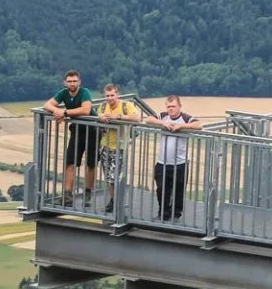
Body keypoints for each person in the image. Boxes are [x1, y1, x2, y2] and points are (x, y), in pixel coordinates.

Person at [43, 70, 95, 206]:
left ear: (79, 82)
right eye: (69, 81)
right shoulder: (63, 93)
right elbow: (47, 105)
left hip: (93, 129)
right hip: (77, 129)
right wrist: (57, 111)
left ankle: (88, 193)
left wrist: (64, 112)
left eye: (75, 81)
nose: (72, 84)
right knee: (70, 162)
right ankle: (67, 196)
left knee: (91, 164)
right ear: (65, 83)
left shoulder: (84, 92)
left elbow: (86, 110)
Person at [148, 96, 202, 222]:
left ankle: (176, 214)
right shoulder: (163, 116)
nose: (171, 109)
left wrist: (181, 126)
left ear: (179, 107)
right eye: (168, 106)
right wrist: (163, 123)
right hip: (162, 162)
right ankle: (163, 213)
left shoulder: (185, 118)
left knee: (179, 189)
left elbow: (199, 125)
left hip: (180, 163)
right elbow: (148, 119)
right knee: (161, 189)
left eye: (173, 106)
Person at [95, 83, 141, 213]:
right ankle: (113, 201)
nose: (110, 98)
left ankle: (116, 202)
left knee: (113, 177)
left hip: (119, 147)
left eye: (112, 95)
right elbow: (96, 118)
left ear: (117, 95)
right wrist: (100, 118)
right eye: (107, 96)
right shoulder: (102, 107)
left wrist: (118, 117)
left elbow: (137, 118)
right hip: (104, 146)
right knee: (108, 177)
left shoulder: (126, 106)